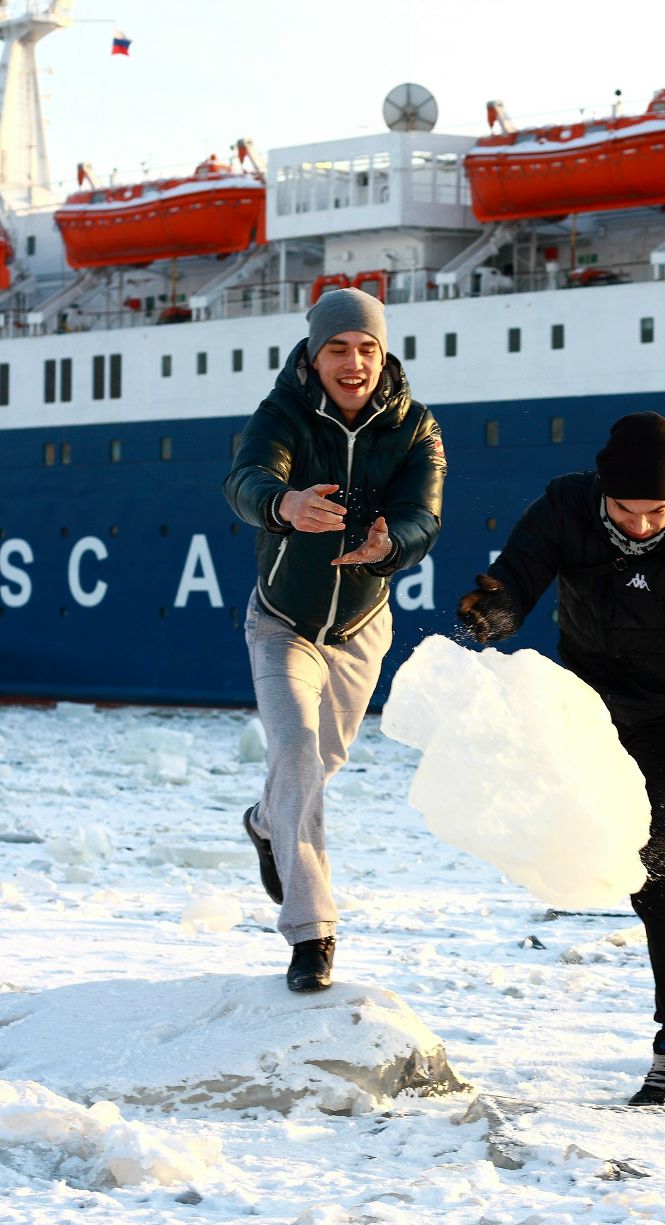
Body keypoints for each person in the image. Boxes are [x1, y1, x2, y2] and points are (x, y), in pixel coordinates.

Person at [457, 411, 665, 1106]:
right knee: (584, 823)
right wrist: (498, 608)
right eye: (627, 512)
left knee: (656, 866)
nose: (641, 526)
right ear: (602, 491)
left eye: (655, 513)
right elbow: (521, 572)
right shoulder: (566, 507)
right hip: (589, 707)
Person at [224, 288, 446, 993]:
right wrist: (283, 504)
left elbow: (423, 517)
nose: (354, 363)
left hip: (358, 630)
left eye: (367, 348)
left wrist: (389, 548)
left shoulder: (416, 430)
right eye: (338, 349)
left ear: (383, 353)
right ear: (314, 355)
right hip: (282, 623)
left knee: (317, 766)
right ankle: (311, 932)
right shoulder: (282, 413)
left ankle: (265, 823)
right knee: (293, 753)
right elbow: (247, 477)